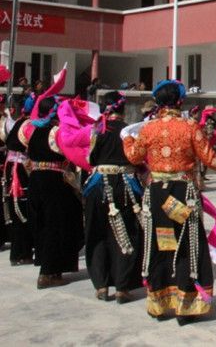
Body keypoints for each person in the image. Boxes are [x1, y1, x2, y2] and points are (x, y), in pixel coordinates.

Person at [122, 80, 216, 320]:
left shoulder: (148, 128)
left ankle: (160, 302)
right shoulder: (190, 126)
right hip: (182, 193)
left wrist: (127, 140)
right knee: (188, 244)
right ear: (180, 101)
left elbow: (134, 156)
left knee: (160, 243)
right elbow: (211, 159)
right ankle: (186, 304)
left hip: (157, 193)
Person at [21, 80, 84, 289]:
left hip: (36, 180)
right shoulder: (56, 132)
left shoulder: (32, 131)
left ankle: (49, 267)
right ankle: (49, 272)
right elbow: (71, 152)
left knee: (42, 224)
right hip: (54, 182)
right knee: (56, 225)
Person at [83, 91, 143, 303]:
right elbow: (137, 159)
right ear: (123, 109)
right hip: (125, 186)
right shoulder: (128, 131)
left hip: (99, 184)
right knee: (126, 234)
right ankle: (122, 286)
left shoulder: (97, 130)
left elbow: (90, 159)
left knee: (97, 233)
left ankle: (101, 284)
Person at [1, 95, 34, 266]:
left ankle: (17, 252)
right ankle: (22, 252)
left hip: (11, 167)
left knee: (16, 210)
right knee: (22, 210)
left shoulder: (14, 123)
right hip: (20, 169)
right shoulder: (27, 125)